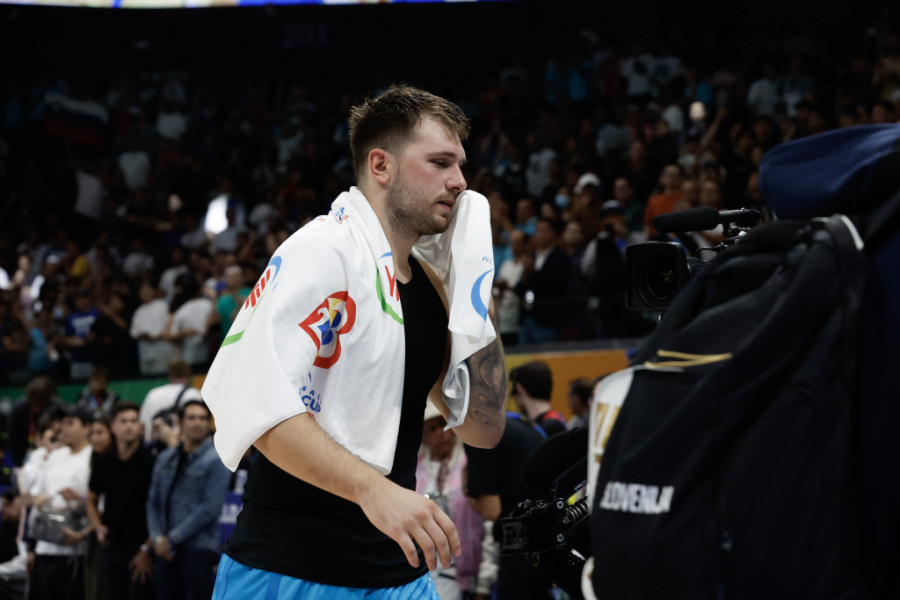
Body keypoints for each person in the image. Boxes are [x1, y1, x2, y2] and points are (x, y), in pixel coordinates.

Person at [201, 84, 507, 599]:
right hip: (290, 570)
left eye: (461, 165)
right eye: (440, 162)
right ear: (381, 165)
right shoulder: (322, 250)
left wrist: (477, 299)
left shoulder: (432, 287)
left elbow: (483, 428)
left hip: (399, 573)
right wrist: (372, 490)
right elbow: (256, 406)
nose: (460, 182)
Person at [145, 400, 230, 600]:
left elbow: (209, 509)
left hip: (198, 548)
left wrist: (171, 539)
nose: (197, 423)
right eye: (191, 418)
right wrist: (157, 538)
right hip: (165, 548)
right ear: (181, 422)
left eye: (202, 418)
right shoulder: (165, 458)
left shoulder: (217, 460)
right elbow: (153, 502)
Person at [464, 412, 551, 599]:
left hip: (520, 536)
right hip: (546, 532)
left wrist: (467, 491)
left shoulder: (478, 433)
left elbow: (491, 511)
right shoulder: (510, 425)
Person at [415, 401, 484, 600]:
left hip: (465, 567)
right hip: (423, 568)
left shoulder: (469, 464)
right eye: (432, 428)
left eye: (443, 424)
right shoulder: (415, 471)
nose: (440, 433)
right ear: (423, 436)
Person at [86, 402, 155, 600]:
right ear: (113, 427)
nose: (129, 426)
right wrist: (98, 527)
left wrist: (146, 549)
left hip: (142, 547)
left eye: (134, 421)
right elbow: (91, 500)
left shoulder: (151, 462)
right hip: (112, 546)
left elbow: (161, 509)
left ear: (140, 426)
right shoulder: (103, 462)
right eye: (123, 421)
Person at [25, 405, 94, 600]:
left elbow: (99, 503)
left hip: (75, 546)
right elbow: (32, 496)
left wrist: (78, 502)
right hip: (45, 545)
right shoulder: (55, 456)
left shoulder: (92, 457)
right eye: (62, 424)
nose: (64, 429)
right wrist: (31, 548)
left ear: (87, 427)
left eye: (71, 423)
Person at [138, 358, 202, 445]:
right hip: (180, 447)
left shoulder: (153, 393)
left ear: (169, 374)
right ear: (189, 374)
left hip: (152, 448)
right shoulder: (193, 394)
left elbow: (142, 425)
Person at [509, 361, 567, 437]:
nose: (515, 401)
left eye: (514, 393)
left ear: (519, 388)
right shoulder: (555, 419)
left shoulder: (545, 427)